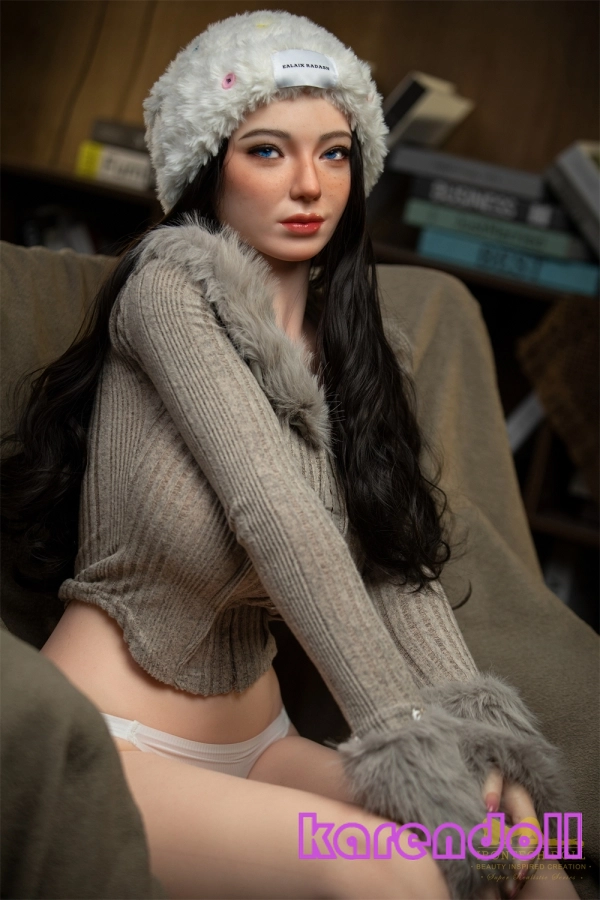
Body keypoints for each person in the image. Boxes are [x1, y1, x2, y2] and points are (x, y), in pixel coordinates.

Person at [0, 10, 579, 900]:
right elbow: (275, 510)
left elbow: (393, 568)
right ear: (208, 165)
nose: (310, 184)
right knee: (393, 864)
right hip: (114, 739)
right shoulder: (167, 290)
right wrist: (407, 736)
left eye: (335, 153)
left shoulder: (364, 348)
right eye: (267, 151)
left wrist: (480, 749)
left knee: (527, 853)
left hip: (263, 747)